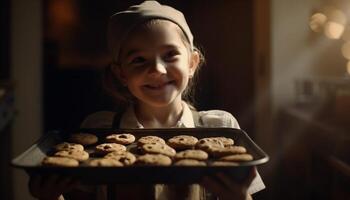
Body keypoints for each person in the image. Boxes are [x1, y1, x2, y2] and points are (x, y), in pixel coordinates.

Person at [29, 1, 265, 199]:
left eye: (170, 55)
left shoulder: (220, 129)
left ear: (192, 63)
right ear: (122, 73)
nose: (157, 70)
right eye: (139, 60)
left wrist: (241, 197)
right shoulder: (99, 130)